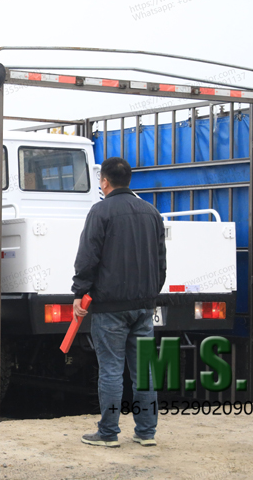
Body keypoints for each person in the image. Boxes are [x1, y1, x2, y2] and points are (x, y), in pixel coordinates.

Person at [71, 156, 166, 448]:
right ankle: (146, 432)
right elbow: (161, 262)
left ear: (104, 181)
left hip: (110, 308)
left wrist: (80, 292)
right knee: (145, 371)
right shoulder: (151, 212)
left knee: (111, 371)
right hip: (143, 306)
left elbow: (88, 258)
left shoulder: (100, 212)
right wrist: (151, 294)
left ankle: (109, 433)